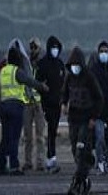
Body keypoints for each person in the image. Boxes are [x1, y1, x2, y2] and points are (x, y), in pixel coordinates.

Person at [0, 46, 48, 175]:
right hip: (16, 106)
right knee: (15, 137)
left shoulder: (3, 71)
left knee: (5, 137)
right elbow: (29, 81)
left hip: (4, 106)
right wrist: (41, 86)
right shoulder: (17, 71)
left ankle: (1, 164)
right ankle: (14, 165)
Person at [62, 46, 104, 195]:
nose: (75, 68)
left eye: (77, 65)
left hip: (86, 120)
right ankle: (84, 176)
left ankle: (77, 182)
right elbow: (64, 93)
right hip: (73, 119)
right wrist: (63, 104)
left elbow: (99, 98)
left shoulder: (89, 77)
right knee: (75, 150)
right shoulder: (69, 77)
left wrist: (94, 117)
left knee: (81, 149)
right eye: (72, 65)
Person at [35, 35, 66, 173]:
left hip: (57, 102)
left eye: (57, 48)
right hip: (45, 102)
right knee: (47, 131)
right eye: (53, 47)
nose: (55, 50)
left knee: (53, 130)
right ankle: (49, 159)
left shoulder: (60, 64)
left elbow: (64, 82)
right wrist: (42, 89)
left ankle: (50, 157)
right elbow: (37, 83)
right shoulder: (42, 64)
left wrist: (63, 99)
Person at [89, 40, 108, 175]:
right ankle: (100, 161)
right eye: (101, 51)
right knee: (100, 137)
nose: (104, 54)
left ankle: (106, 158)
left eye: (106, 51)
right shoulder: (93, 70)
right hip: (98, 111)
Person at [21, 36, 46, 172]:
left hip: (39, 103)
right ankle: (28, 161)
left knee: (40, 136)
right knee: (27, 136)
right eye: (31, 47)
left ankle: (40, 162)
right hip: (27, 102)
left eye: (35, 47)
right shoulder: (26, 63)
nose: (33, 49)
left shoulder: (42, 64)